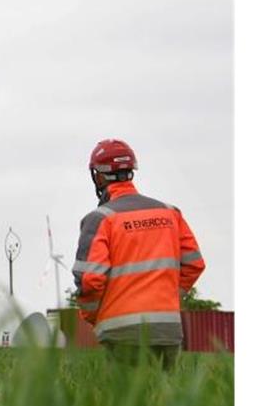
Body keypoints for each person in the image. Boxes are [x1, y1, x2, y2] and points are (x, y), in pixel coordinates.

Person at [72, 139, 205, 369]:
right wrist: (167, 296)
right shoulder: (170, 213)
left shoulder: (100, 219)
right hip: (167, 330)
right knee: (164, 401)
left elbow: (90, 280)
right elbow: (195, 264)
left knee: (126, 403)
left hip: (122, 333)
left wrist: (94, 317)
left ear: (99, 176)